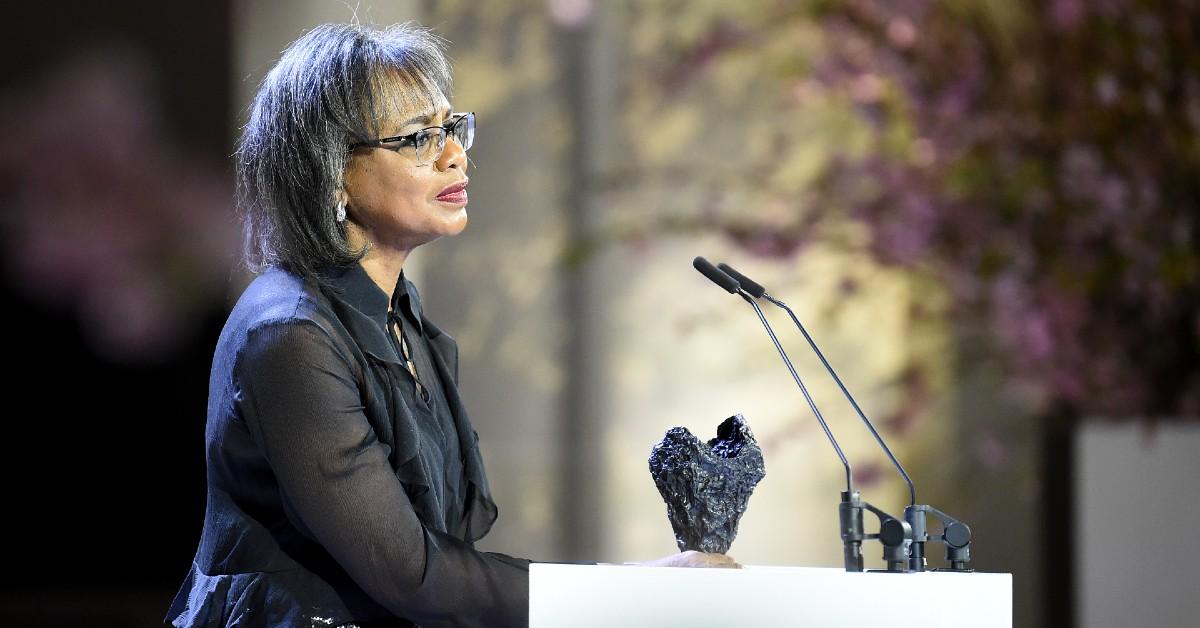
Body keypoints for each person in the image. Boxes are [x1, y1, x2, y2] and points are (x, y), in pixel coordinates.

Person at [165, 22, 737, 628]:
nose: (454, 155)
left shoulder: (397, 313)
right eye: (417, 139)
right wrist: (637, 591)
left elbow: (447, 545)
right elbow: (410, 570)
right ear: (330, 170)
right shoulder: (289, 336)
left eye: (450, 128)